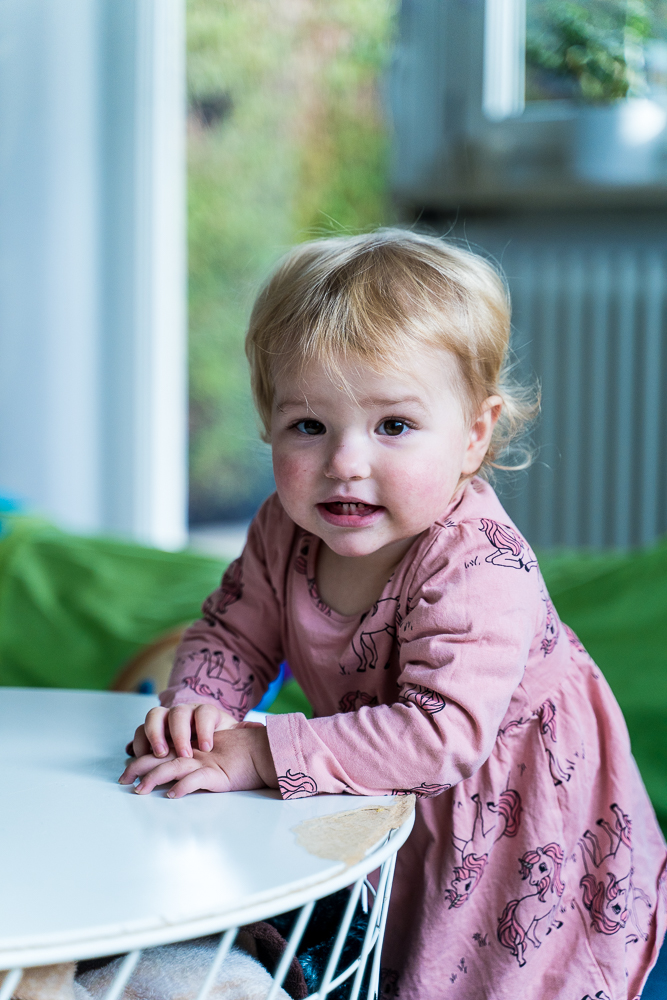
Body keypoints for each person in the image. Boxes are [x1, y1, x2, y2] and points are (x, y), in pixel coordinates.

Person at [120, 230, 667, 999]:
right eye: (308, 426)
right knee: (369, 949)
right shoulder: (283, 528)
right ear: (269, 421)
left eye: (393, 427)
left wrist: (258, 753)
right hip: (386, 794)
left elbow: (440, 736)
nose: (345, 463)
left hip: (509, 821)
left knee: (487, 972)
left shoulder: (477, 564)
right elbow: (234, 632)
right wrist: (199, 709)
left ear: (473, 435)